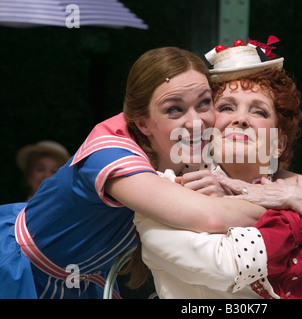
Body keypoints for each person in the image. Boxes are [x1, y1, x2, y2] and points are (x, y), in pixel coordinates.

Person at [133, 38, 302, 298]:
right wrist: (300, 209)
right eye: (227, 108)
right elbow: (227, 266)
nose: (240, 119)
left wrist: (299, 200)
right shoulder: (170, 191)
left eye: (259, 111)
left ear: (278, 143)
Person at [0, 47, 269, 299]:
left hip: (81, 279)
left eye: (204, 103)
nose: (196, 121)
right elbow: (210, 217)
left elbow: (274, 176)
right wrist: (291, 212)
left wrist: (296, 193)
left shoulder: (184, 149)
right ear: (142, 123)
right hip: (16, 271)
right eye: (174, 109)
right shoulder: (110, 155)